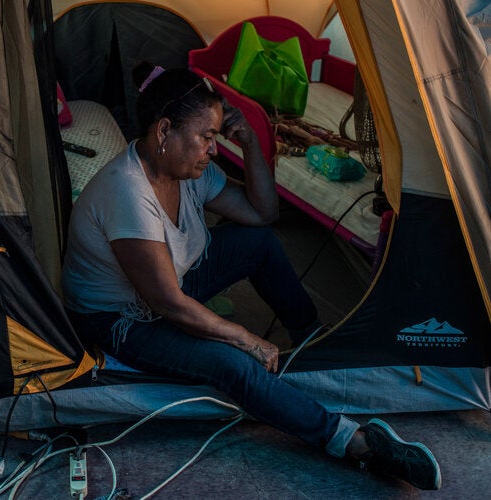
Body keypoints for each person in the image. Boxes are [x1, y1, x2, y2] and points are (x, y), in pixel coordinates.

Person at [61, 62, 441, 490]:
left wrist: (251, 144)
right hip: (119, 318)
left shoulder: (187, 171)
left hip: (168, 288)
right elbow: (167, 304)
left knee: (256, 242)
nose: (212, 149)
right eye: (206, 137)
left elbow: (263, 214)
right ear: (164, 130)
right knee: (231, 362)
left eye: (216, 138)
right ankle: (355, 443)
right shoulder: (127, 191)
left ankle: (310, 339)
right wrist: (245, 338)